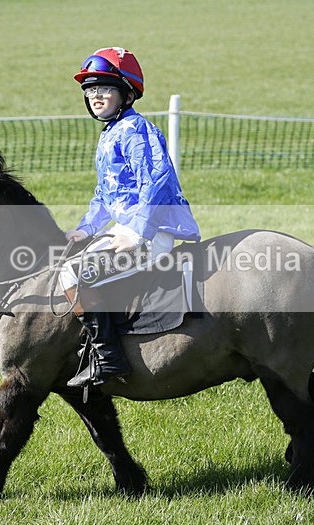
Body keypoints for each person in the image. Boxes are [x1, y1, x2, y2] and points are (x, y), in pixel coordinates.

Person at [60, 47, 200, 388]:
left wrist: (137, 233)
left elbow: (156, 178)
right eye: (90, 90)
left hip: (152, 232)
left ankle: (109, 360)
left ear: (127, 93)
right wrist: (84, 230)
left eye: (104, 88)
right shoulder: (111, 133)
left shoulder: (136, 129)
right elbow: (106, 195)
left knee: (72, 273)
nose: (95, 96)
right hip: (132, 228)